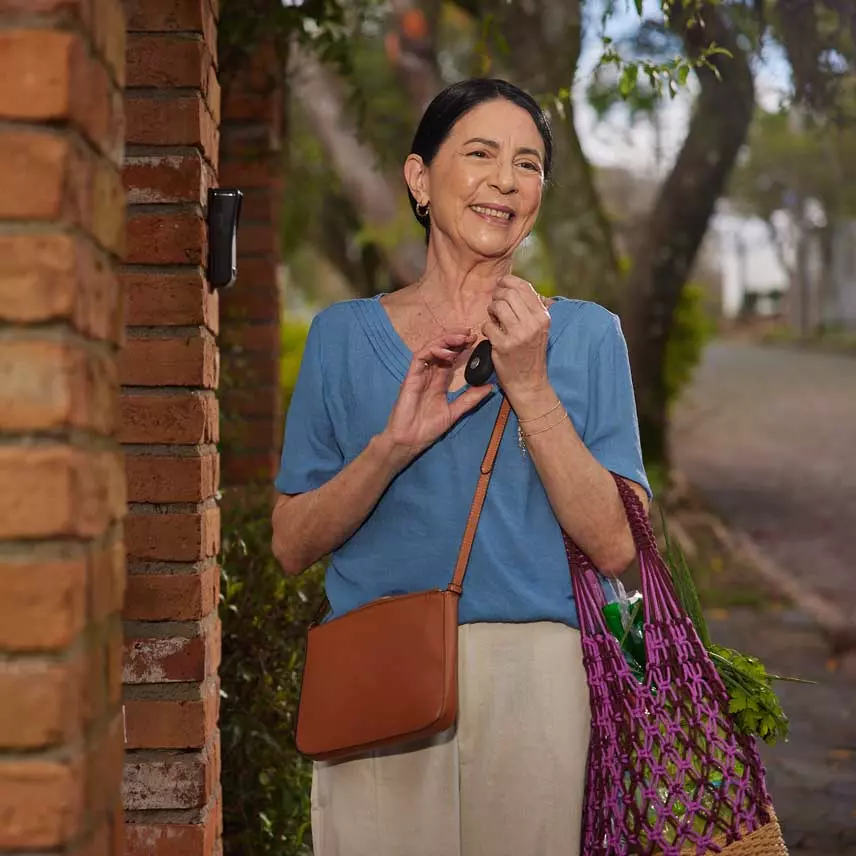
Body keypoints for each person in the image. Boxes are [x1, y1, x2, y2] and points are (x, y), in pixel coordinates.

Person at [272, 78, 651, 856]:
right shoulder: (340, 338)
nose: (506, 181)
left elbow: (622, 549)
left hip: (539, 683)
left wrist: (532, 382)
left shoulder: (585, 337)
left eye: (529, 164)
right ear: (420, 178)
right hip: (379, 669)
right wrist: (390, 451)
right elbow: (290, 542)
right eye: (480, 154)